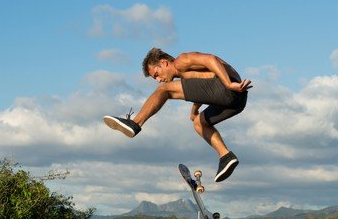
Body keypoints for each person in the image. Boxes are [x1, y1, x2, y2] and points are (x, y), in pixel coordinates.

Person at [104, 48, 252, 182]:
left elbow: (210, 59)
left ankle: (135, 123)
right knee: (199, 123)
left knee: (164, 90)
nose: (158, 79)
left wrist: (228, 84)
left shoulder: (181, 61)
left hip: (229, 87)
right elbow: (204, 86)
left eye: (156, 74)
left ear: (164, 63)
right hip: (238, 99)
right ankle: (226, 156)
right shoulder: (186, 75)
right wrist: (194, 110)